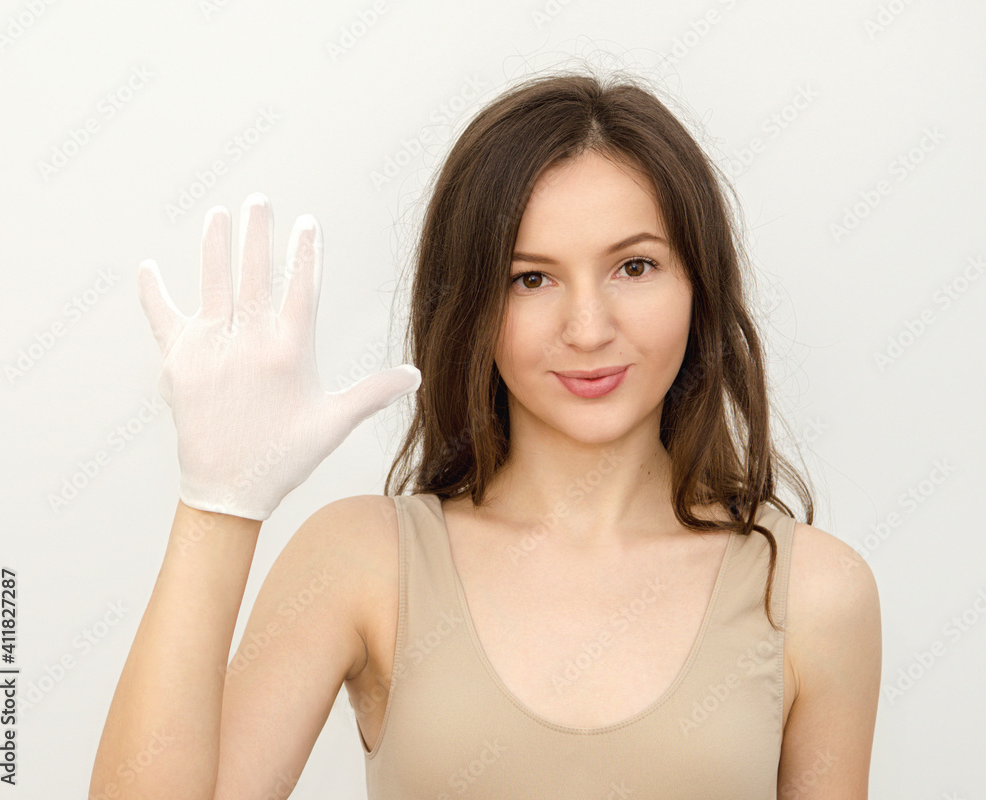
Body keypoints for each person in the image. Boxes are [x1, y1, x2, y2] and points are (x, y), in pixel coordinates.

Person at [89, 67, 881, 799]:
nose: (588, 327)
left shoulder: (814, 594)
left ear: (699, 284)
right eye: (530, 278)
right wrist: (217, 502)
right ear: (472, 308)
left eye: (633, 267)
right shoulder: (363, 561)